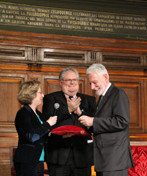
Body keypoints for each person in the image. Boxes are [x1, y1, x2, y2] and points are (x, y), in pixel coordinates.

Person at [79, 63, 134, 176]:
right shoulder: (103, 97)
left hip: (114, 160)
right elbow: (104, 124)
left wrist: (93, 121)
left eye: (94, 82)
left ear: (105, 77)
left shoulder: (118, 93)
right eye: (90, 83)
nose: (92, 87)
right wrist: (89, 124)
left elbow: (122, 121)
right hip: (104, 159)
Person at [42, 67, 96, 176]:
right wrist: (68, 110)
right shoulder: (50, 98)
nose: (72, 83)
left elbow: (95, 127)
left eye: (74, 80)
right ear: (61, 82)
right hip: (58, 156)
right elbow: (47, 122)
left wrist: (80, 113)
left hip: (82, 155)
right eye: (68, 80)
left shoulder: (89, 100)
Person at [14, 80, 57, 176]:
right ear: (31, 94)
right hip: (27, 161)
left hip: (39, 160)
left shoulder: (39, 114)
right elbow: (32, 136)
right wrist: (48, 124)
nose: (43, 95)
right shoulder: (23, 113)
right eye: (40, 92)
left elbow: (44, 133)